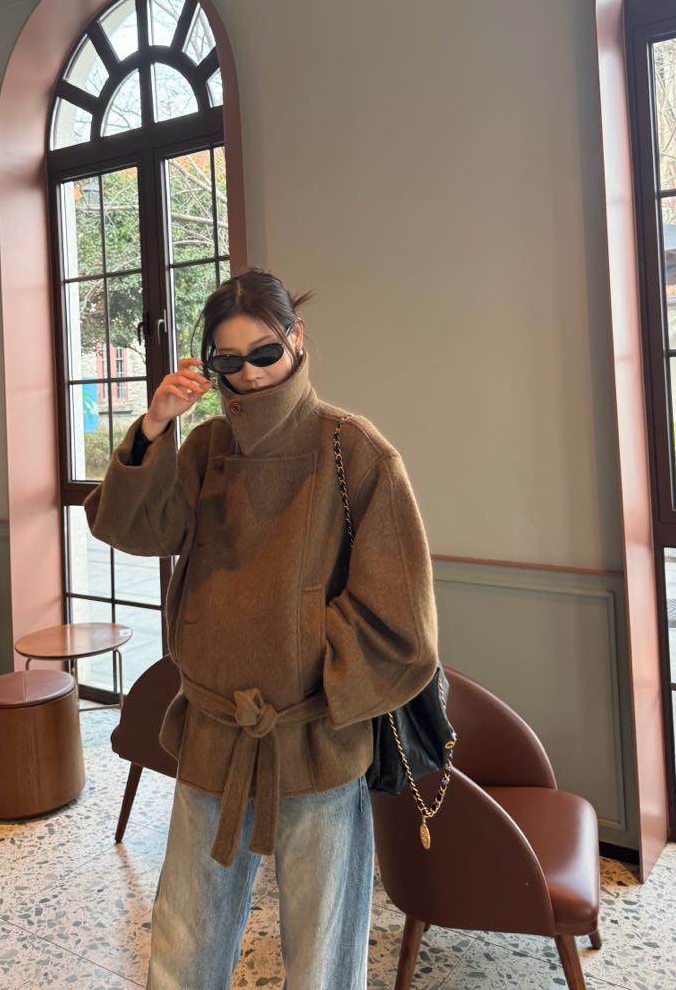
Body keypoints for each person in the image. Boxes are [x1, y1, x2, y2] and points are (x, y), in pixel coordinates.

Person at [83, 267, 440, 990]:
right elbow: (130, 527)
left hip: (314, 739)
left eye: (264, 353)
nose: (247, 375)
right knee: (182, 947)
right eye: (228, 361)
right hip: (212, 731)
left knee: (321, 960)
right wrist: (154, 426)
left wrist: (301, 655)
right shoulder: (206, 447)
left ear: (296, 339)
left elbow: (402, 620)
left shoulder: (355, 451)